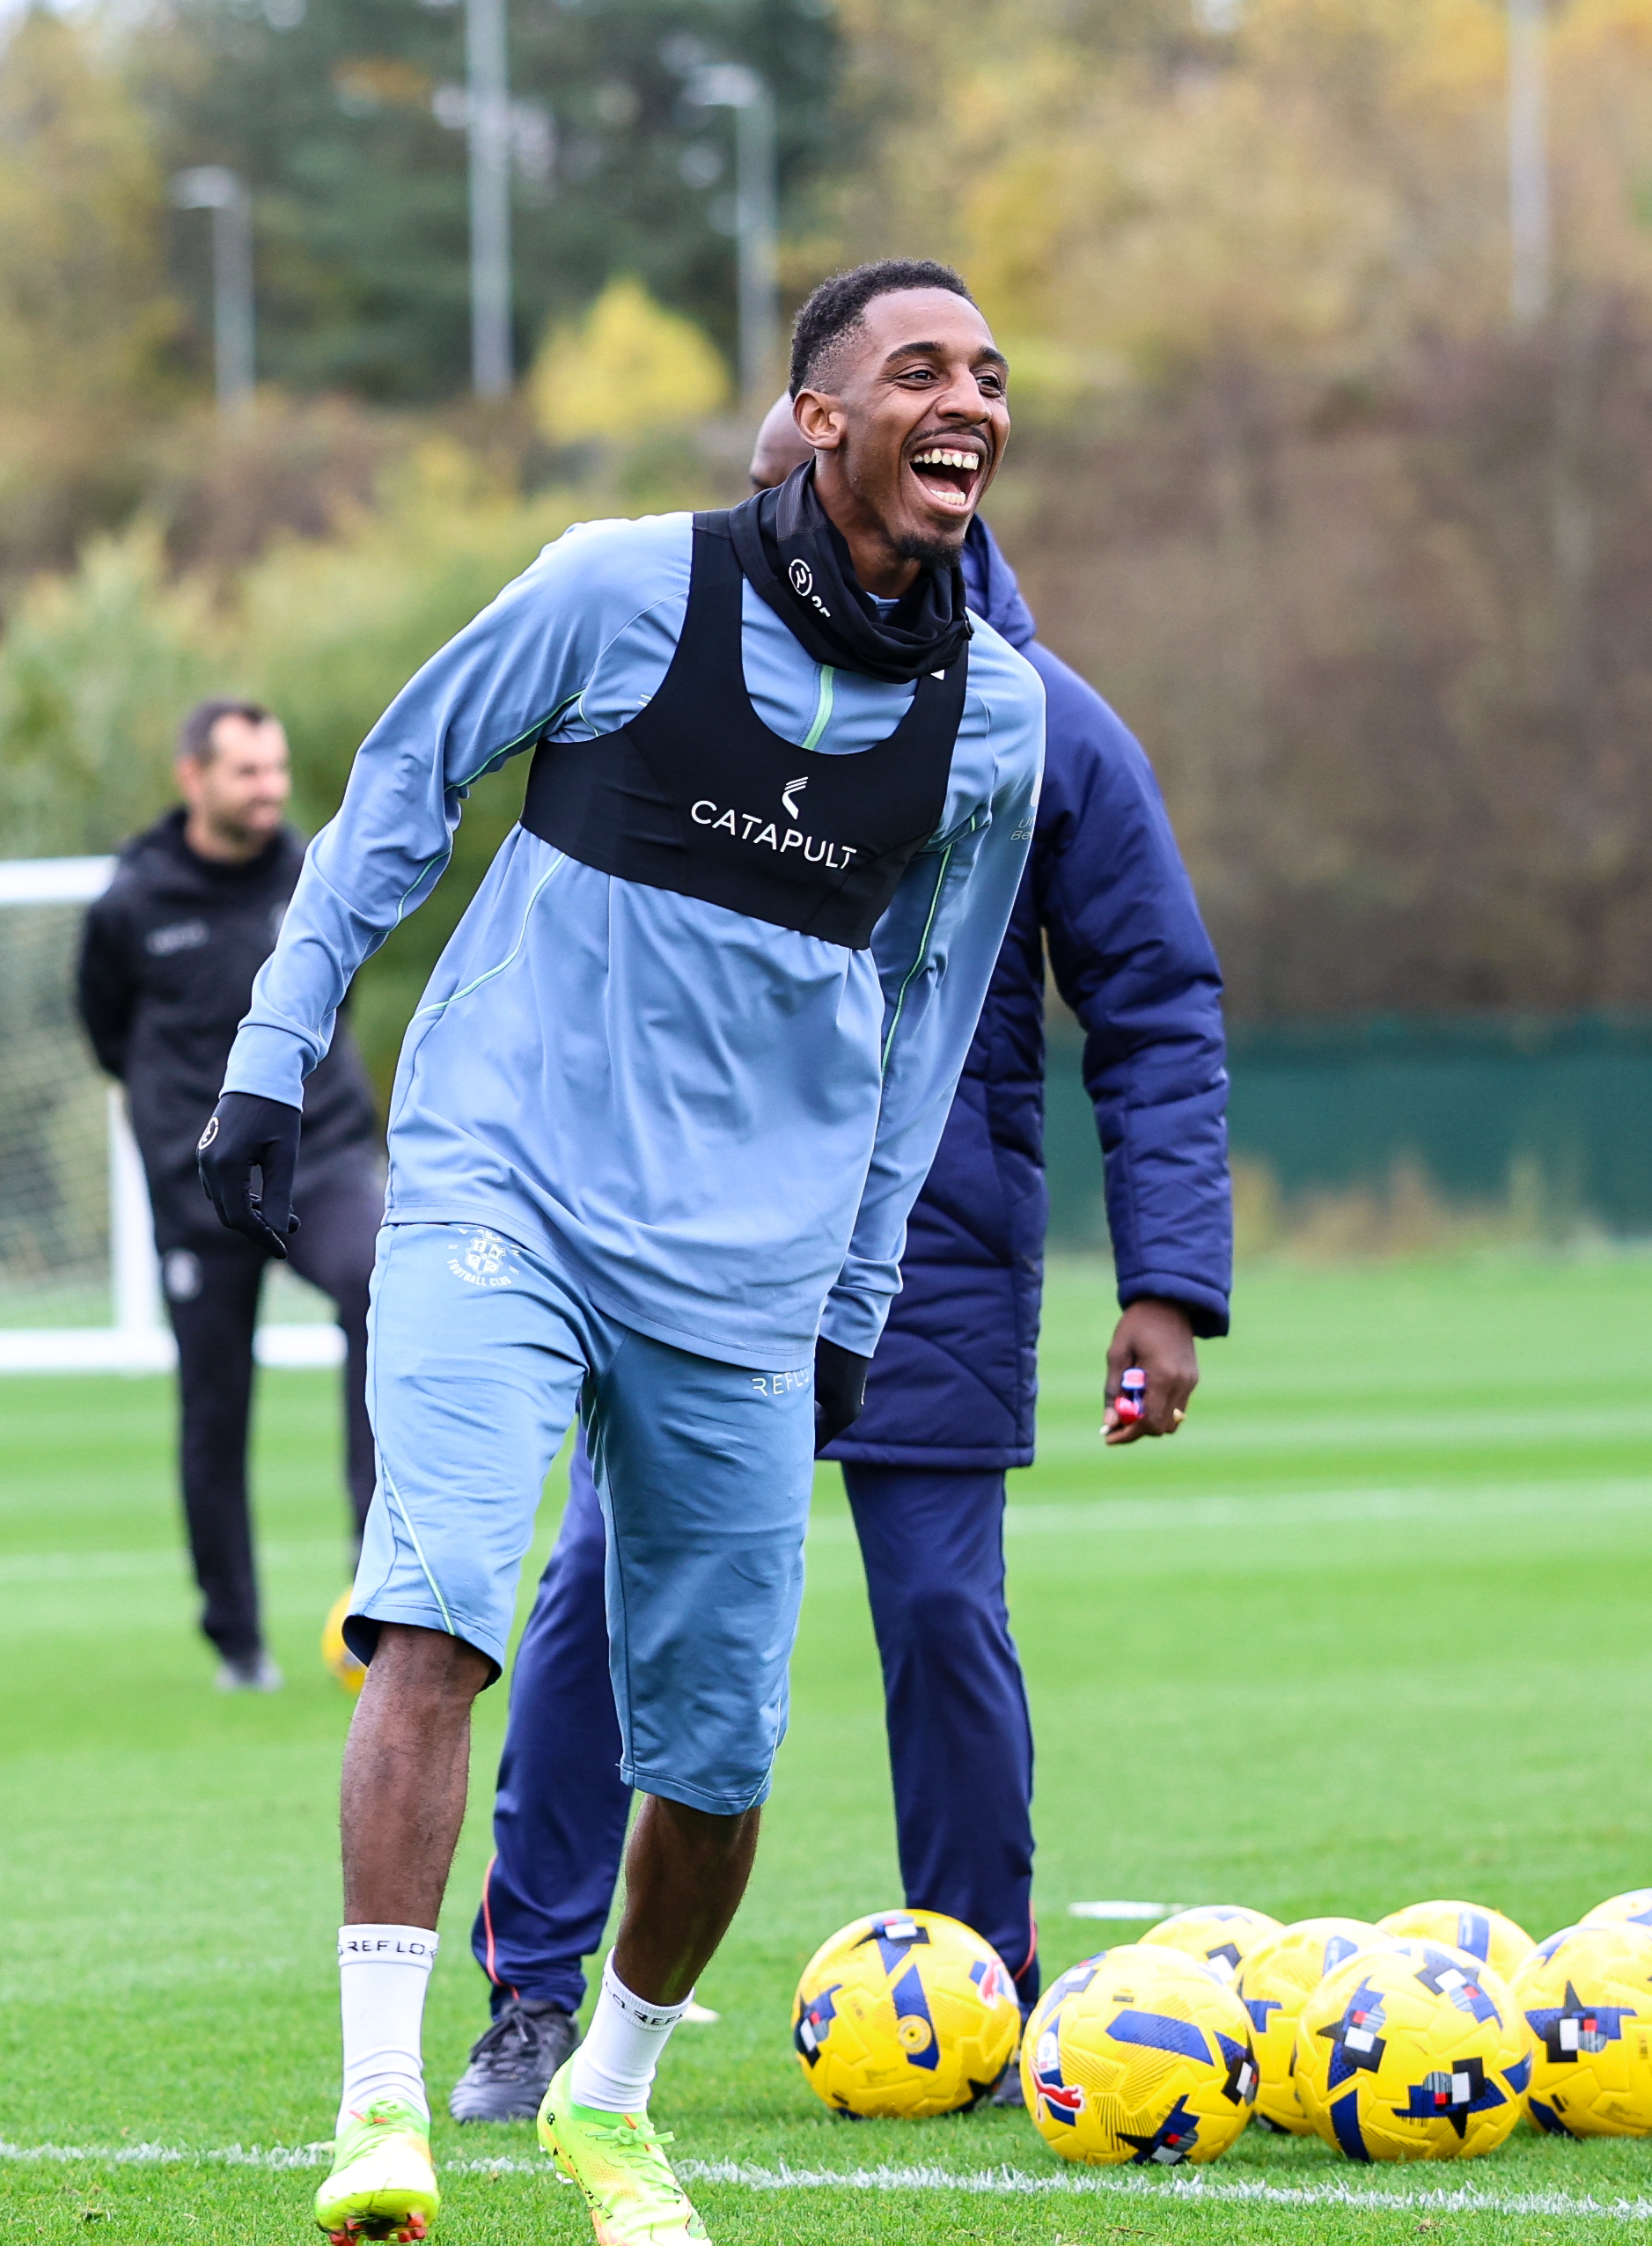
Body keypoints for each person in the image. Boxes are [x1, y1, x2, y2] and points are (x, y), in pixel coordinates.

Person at [198, 259, 1043, 2246]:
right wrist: (266, 1060)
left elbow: (926, 1018)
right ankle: (381, 2091)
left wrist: (853, 1288)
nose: (972, 402)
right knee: (441, 1610)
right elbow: (399, 790)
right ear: (817, 415)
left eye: (992, 375)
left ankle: (611, 2096)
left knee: (719, 1750)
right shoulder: (612, 590)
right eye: (920, 367)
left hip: (750, 1273)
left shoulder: (992, 722)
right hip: (499, 1183)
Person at [445, 396, 1233, 2124]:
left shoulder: (1044, 725)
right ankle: (530, 1999)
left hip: (932, 1246)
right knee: (590, 1598)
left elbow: (1158, 998)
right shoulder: (684, 664)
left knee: (944, 1612)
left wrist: (1168, 1279)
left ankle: (989, 1990)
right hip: (675, 1235)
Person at [77, 698, 382, 1690]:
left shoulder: (313, 874)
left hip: (322, 1158)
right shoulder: (132, 899)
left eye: (277, 768)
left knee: (382, 1288)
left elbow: (346, 986)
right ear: (192, 777)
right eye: (247, 770)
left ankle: (379, 1596)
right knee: (213, 1408)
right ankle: (236, 1640)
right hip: (197, 1185)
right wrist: (178, 1134)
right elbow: (104, 1028)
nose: (270, 788)